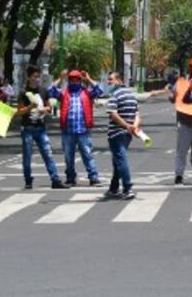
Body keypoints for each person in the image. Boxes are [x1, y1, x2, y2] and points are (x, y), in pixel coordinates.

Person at [48, 69, 103, 187]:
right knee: (68, 157)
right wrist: (60, 78)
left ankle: (93, 178)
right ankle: (70, 178)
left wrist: (89, 79)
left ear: (80, 81)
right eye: (71, 80)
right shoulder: (64, 93)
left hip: (83, 131)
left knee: (87, 155)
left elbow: (100, 90)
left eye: (76, 80)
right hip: (68, 131)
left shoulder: (87, 93)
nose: (74, 82)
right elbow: (50, 91)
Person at [16, 65, 67, 190]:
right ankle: (28, 180)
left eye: (38, 77)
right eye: (34, 77)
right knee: (27, 155)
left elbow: (49, 106)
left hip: (41, 127)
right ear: (28, 77)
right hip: (27, 127)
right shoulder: (23, 92)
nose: (37, 79)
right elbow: (19, 112)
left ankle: (55, 179)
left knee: (47, 153)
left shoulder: (43, 91)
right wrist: (30, 107)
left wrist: (45, 109)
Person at [105, 72, 140, 200]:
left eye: (111, 80)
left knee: (120, 160)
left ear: (119, 81)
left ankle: (127, 187)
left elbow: (113, 114)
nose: (109, 82)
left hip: (116, 133)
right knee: (117, 161)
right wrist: (133, 126)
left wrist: (126, 125)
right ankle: (113, 188)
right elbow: (137, 115)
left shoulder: (115, 95)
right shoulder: (131, 95)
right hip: (127, 134)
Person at [169, 75, 192, 185]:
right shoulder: (180, 85)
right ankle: (180, 175)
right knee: (185, 151)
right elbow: (172, 98)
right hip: (186, 123)